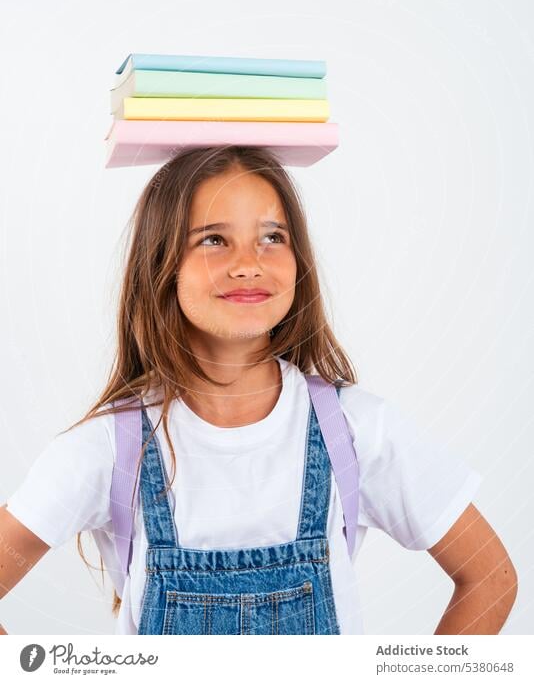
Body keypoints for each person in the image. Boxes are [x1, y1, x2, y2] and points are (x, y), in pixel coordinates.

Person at [0, 146, 518, 635]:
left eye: (272, 237)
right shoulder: (110, 448)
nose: (248, 262)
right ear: (163, 265)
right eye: (213, 239)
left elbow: (489, 577)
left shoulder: (358, 430)